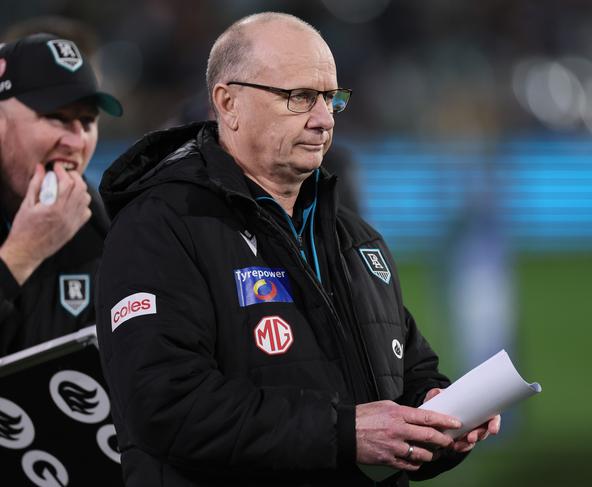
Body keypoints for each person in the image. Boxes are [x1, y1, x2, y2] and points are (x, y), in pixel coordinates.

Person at [95, 12, 499, 487]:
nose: (324, 119)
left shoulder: (356, 238)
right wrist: (344, 432)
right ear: (228, 104)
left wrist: (438, 417)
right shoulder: (160, 227)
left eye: (330, 98)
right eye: (299, 97)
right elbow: (164, 406)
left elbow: (410, 373)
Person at [0, 33, 123, 355]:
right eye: (57, 117)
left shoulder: (100, 224)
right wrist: (21, 255)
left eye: (87, 121)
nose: (77, 142)